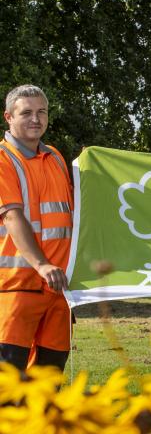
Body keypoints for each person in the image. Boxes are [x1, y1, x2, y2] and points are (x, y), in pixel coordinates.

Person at [0, 85, 73, 370]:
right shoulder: (3, 159)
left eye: (41, 112)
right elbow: (12, 217)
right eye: (26, 112)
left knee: (48, 380)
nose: (35, 119)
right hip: (17, 287)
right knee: (8, 384)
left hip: (58, 289)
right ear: (8, 117)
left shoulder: (55, 156)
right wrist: (42, 264)